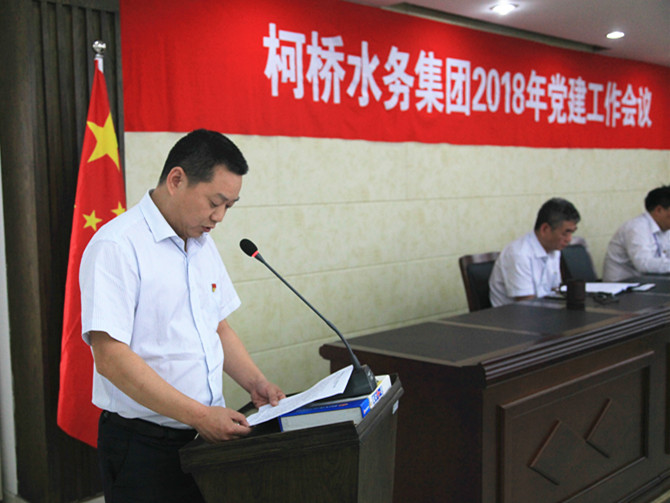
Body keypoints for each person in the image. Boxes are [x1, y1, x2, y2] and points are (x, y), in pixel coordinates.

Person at [80, 129, 285, 502]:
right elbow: (110, 357)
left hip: (204, 440)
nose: (219, 217)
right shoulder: (118, 246)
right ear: (176, 180)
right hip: (144, 447)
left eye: (229, 206)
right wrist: (200, 416)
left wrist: (255, 383)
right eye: (215, 202)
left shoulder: (202, 244)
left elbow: (218, 328)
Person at [489, 197, 580, 307]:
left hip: (544, 312)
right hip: (515, 315)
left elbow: (555, 292)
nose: (569, 239)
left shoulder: (554, 249)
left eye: (571, 233)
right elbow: (526, 306)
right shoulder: (519, 254)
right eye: (565, 233)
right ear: (545, 229)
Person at [602, 185, 670, 281]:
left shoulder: (665, 228)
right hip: (622, 285)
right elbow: (643, 264)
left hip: (648, 281)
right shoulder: (637, 228)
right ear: (659, 210)